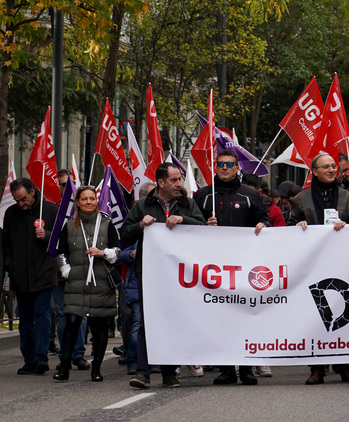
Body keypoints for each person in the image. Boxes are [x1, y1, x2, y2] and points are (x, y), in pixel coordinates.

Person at [122, 162, 207, 389]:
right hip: (149, 272)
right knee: (147, 321)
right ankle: (143, 372)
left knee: (172, 320)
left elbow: (202, 228)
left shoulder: (188, 205)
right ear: (160, 183)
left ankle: (170, 373)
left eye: (179, 179)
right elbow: (124, 233)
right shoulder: (142, 206)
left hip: (179, 274)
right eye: (174, 180)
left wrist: (184, 220)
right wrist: (140, 224)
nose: (178, 184)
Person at [194, 150, 271, 386]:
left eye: (229, 164)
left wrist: (262, 224)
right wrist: (204, 224)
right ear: (215, 167)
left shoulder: (249, 194)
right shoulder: (204, 195)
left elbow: (266, 220)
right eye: (220, 164)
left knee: (245, 316)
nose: (225, 168)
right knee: (221, 318)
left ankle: (246, 367)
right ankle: (227, 368)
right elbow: (191, 225)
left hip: (244, 266)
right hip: (215, 268)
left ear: (237, 168)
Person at [289, 153, 349, 385]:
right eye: (326, 167)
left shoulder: (348, 198)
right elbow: (288, 229)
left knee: (343, 312)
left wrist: (348, 227)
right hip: (313, 266)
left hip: (343, 266)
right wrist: (297, 226)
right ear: (314, 171)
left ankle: (343, 364)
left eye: (334, 166)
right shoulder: (301, 200)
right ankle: (317, 368)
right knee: (316, 314)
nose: (332, 170)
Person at [52, 186, 120, 382]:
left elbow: (118, 251)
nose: (88, 202)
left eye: (92, 198)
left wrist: (103, 253)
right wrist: (67, 271)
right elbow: (62, 252)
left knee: (99, 326)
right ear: (78, 202)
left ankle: (96, 369)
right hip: (77, 284)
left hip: (101, 284)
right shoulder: (69, 226)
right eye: (84, 199)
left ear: (96, 201)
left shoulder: (106, 223)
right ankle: (64, 367)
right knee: (71, 324)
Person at [2, 178, 58, 375]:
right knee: (25, 320)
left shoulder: (50, 210)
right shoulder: (11, 213)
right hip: (20, 275)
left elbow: (61, 239)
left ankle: (41, 357)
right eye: (17, 200)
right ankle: (29, 359)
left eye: (23, 199)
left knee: (42, 316)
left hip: (43, 273)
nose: (21, 204)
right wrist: (10, 264)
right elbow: (6, 243)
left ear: (32, 192)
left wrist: (48, 235)